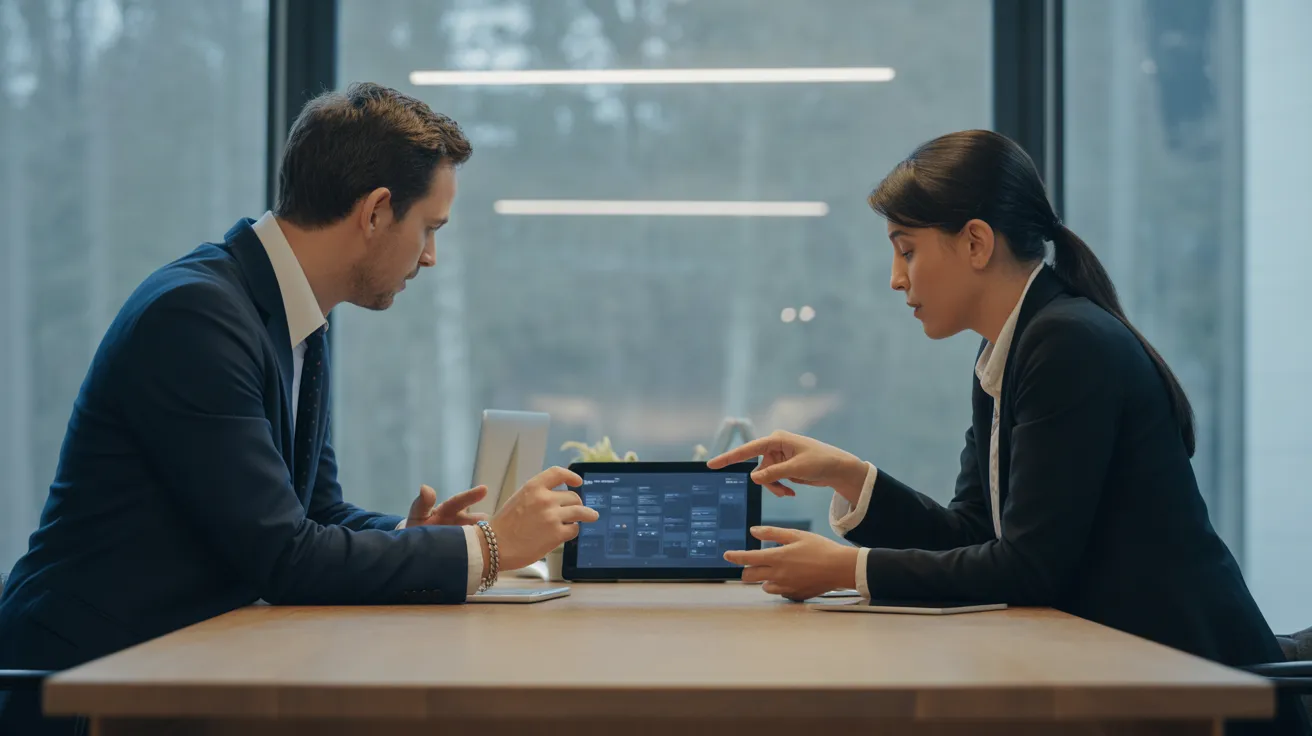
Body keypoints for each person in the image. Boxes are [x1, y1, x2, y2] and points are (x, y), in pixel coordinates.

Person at [0, 82, 598, 736]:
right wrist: (487, 547)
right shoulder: (195, 317)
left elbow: (316, 510)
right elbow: (284, 557)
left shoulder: (290, 318)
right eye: (428, 229)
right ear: (374, 212)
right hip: (87, 683)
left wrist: (413, 536)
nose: (430, 256)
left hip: (176, 663)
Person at [710, 130, 1309, 736]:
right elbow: (971, 534)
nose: (895, 278)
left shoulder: (1066, 344)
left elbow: (1027, 568)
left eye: (907, 250)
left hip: (1192, 695)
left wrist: (846, 569)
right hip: (1125, 676)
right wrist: (850, 476)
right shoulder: (1010, 348)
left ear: (975, 242)